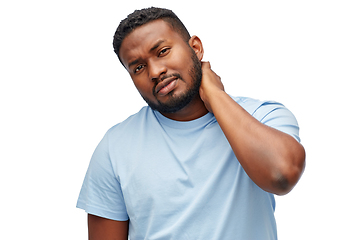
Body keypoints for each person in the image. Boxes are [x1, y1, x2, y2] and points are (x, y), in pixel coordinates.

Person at [77, 7, 306, 240]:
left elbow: (282, 175)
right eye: (138, 67)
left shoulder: (262, 116)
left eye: (163, 51)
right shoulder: (114, 148)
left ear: (195, 48)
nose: (155, 71)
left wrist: (215, 96)